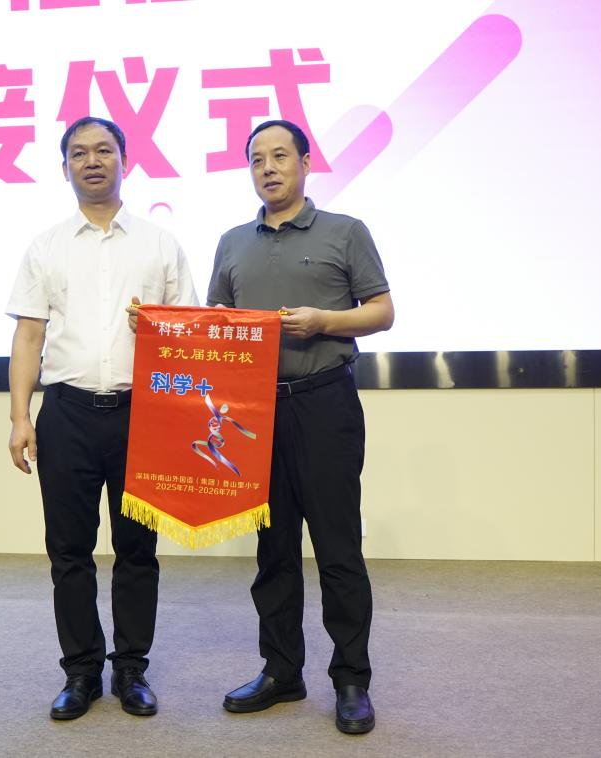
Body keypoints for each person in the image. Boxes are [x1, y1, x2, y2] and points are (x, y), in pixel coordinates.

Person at [6, 116, 198, 721]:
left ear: (125, 160)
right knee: (69, 550)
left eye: (104, 150)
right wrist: (20, 417)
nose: (92, 161)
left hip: (144, 414)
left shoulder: (160, 244)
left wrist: (159, 329)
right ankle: (81, 672)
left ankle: (132, 669)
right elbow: (28, 336)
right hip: (66, 413)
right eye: (80, 153)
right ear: (64, 167)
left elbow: (190, 335)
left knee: (138, 548)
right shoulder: (46, 247)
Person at [207, 119, 393, 735]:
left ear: (306, 163)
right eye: (256, 159)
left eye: (280, 156)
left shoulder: (345, 231)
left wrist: (323, 321)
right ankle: (282, 671)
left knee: (337, 548)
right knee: (274, 549)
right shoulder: (233, 242)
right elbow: (217, 321)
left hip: (324, 403)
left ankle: (351, 680)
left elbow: (382, 312)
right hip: (255, 412)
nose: (268, 168)